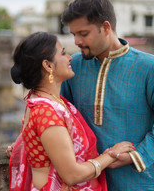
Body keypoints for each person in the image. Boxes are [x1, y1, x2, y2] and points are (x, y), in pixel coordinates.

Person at [60, 0, 154, 191]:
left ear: (106, 27)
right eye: (74, 35)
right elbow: (60, 116)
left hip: (136, 182)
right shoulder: (75, 67)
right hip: (86, 183)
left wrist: (136, 155)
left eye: (83, 34)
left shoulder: (150, 67)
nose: (77, 42)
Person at [8, 32, 135, 190]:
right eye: (62, 53)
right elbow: (72, 175)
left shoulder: (46, 102)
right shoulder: (46, 113)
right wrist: (110, 155)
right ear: (48, 65)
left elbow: (37, 140)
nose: (69, 58)